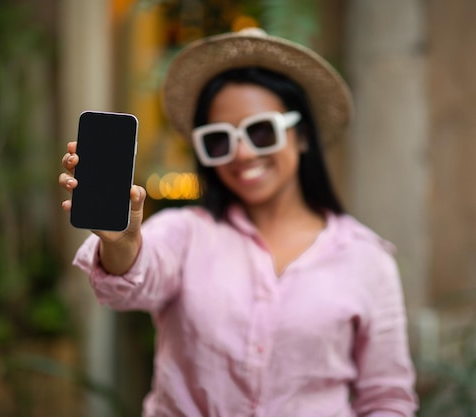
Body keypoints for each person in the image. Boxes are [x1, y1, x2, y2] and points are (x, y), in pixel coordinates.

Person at [59, 28, 418, 417]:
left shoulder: (367, 259)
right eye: (218, 140)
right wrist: (121, 242)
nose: (242, 153)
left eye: (261, 131)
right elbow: (131, 281)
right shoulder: (185, 233)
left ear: (301, 136)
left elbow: (387, 398)